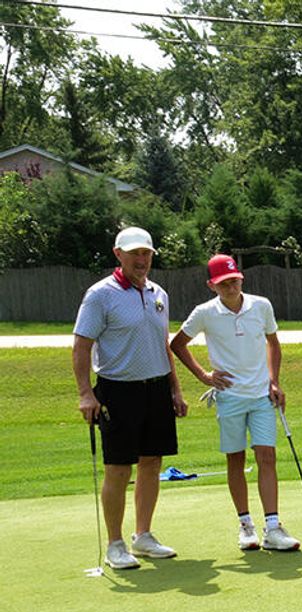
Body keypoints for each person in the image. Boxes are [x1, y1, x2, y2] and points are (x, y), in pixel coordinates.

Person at [72, 226, 188, 571]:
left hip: (156, 389)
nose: (141, 259)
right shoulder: (100, 295)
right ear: (118, 254)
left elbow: (162, 344)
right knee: (119, 468)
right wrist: (85, 393)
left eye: (146, 253)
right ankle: (115, 544)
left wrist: (175, 389)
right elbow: (81, 345)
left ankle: (143, 535)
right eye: (134, 253)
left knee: (152, 462)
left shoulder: (158, 293)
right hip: (118, 390)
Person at [170, 254, 300, 552]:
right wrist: (204, 375)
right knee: (236, 459)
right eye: (223, 284)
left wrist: (274, 380)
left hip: (261, 395)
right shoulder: (205, 313)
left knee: (267, 456)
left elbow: (273, 343)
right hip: (229, 397)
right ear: (212, 285)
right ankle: (245, 525)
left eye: (234, 281)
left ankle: (272, 527)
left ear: (241, 279)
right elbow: (177, 344)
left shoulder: (261, 305)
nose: (230, 288)